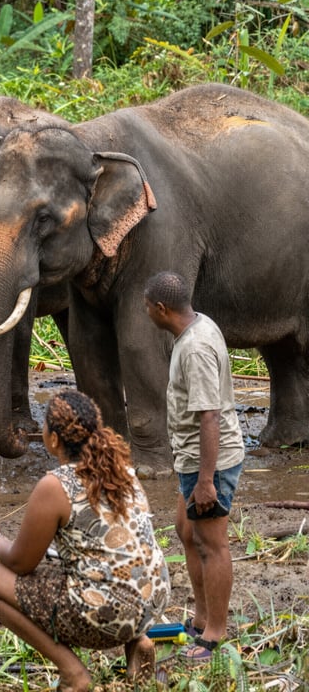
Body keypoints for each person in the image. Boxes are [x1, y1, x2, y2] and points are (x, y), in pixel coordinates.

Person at [0, 390, 171, 692]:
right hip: (152, 599)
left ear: (53, 439)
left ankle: (72, 672)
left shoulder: (55, 485)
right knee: (102, 563)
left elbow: (20, 563)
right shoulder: (124, 470)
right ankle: (138, 641)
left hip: (106, 612)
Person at [144, 271, 245, 662]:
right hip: (192, 458)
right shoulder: (196, 328)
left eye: (146, 306)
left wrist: (206, 482)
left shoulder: (196, 349)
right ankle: (202, 618)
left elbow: (209, 418)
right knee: (187, 532)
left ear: (161, 309)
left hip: (211, 464)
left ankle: (215, 634)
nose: (145, 312)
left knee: (211, 544)